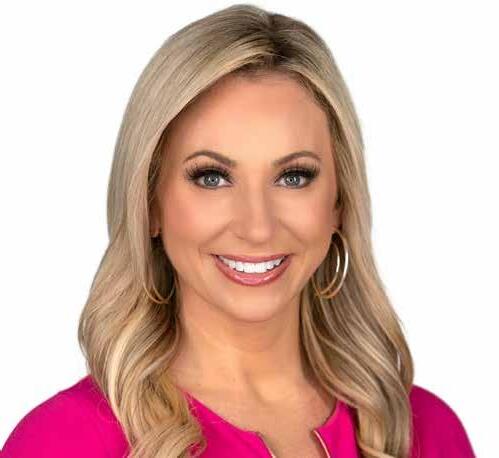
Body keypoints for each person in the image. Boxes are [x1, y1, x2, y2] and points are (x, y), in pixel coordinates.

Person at [2, 4, 475, 458]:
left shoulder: (422, 430)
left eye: (294, 177)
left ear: (339, 203)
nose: (257, 227)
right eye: (212, 177)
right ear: (149, 204)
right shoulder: (64, 441)